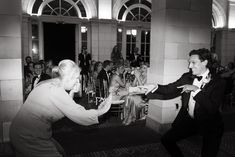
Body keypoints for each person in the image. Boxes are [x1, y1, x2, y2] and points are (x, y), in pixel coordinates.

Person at [10, 59, 113, 157]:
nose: (78, 82)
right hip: (28, 136)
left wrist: (72, 91)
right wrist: (102, 110)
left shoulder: (53, 82)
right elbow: (80, 115)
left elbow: (66, 104)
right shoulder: (56, 91)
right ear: (68, 78)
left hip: (26, 130)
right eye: (76, 78)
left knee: (60, 151)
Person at [144, 48, 226, 157]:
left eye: (193, 63)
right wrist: (155, 87)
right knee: (167, 140)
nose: (189, 66)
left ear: (205, 62)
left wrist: (195, 90)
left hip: (211, 123)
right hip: (191, 120)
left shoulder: (218, 82)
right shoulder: (187, 77)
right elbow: (170, 88)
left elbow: (211, 108)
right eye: (189, 63)